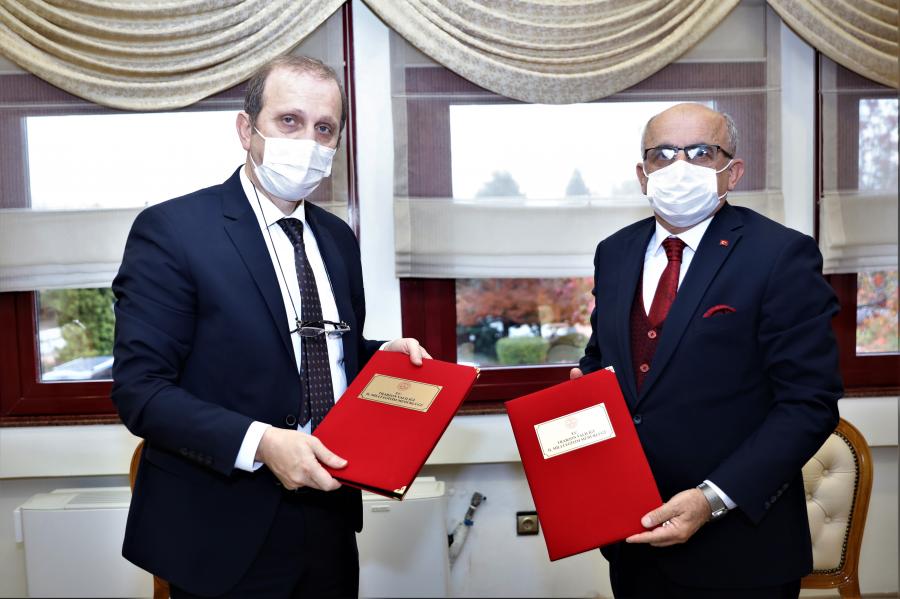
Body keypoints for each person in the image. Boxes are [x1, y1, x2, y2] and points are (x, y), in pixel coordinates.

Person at [112, 55, 431, 599]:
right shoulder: (172, 230)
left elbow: (319, 354)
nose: (308, 141)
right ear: (246, 129)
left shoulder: (337, 237)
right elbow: (141, 391)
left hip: (329, 513)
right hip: (219, 527)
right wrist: (262, 444)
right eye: (289, 121)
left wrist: (381, 356)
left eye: (324, 128)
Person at [571, 103, 842, 598]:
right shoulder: (615, 251)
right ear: (642, 175)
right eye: (662, 154)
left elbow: (809, 403)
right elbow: (604, 358)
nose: (679, 167)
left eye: (700, 152)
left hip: (740, 549)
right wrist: (584, 390)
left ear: (732, 172)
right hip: (634, 540)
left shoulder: (780, 253)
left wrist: (711, 499)